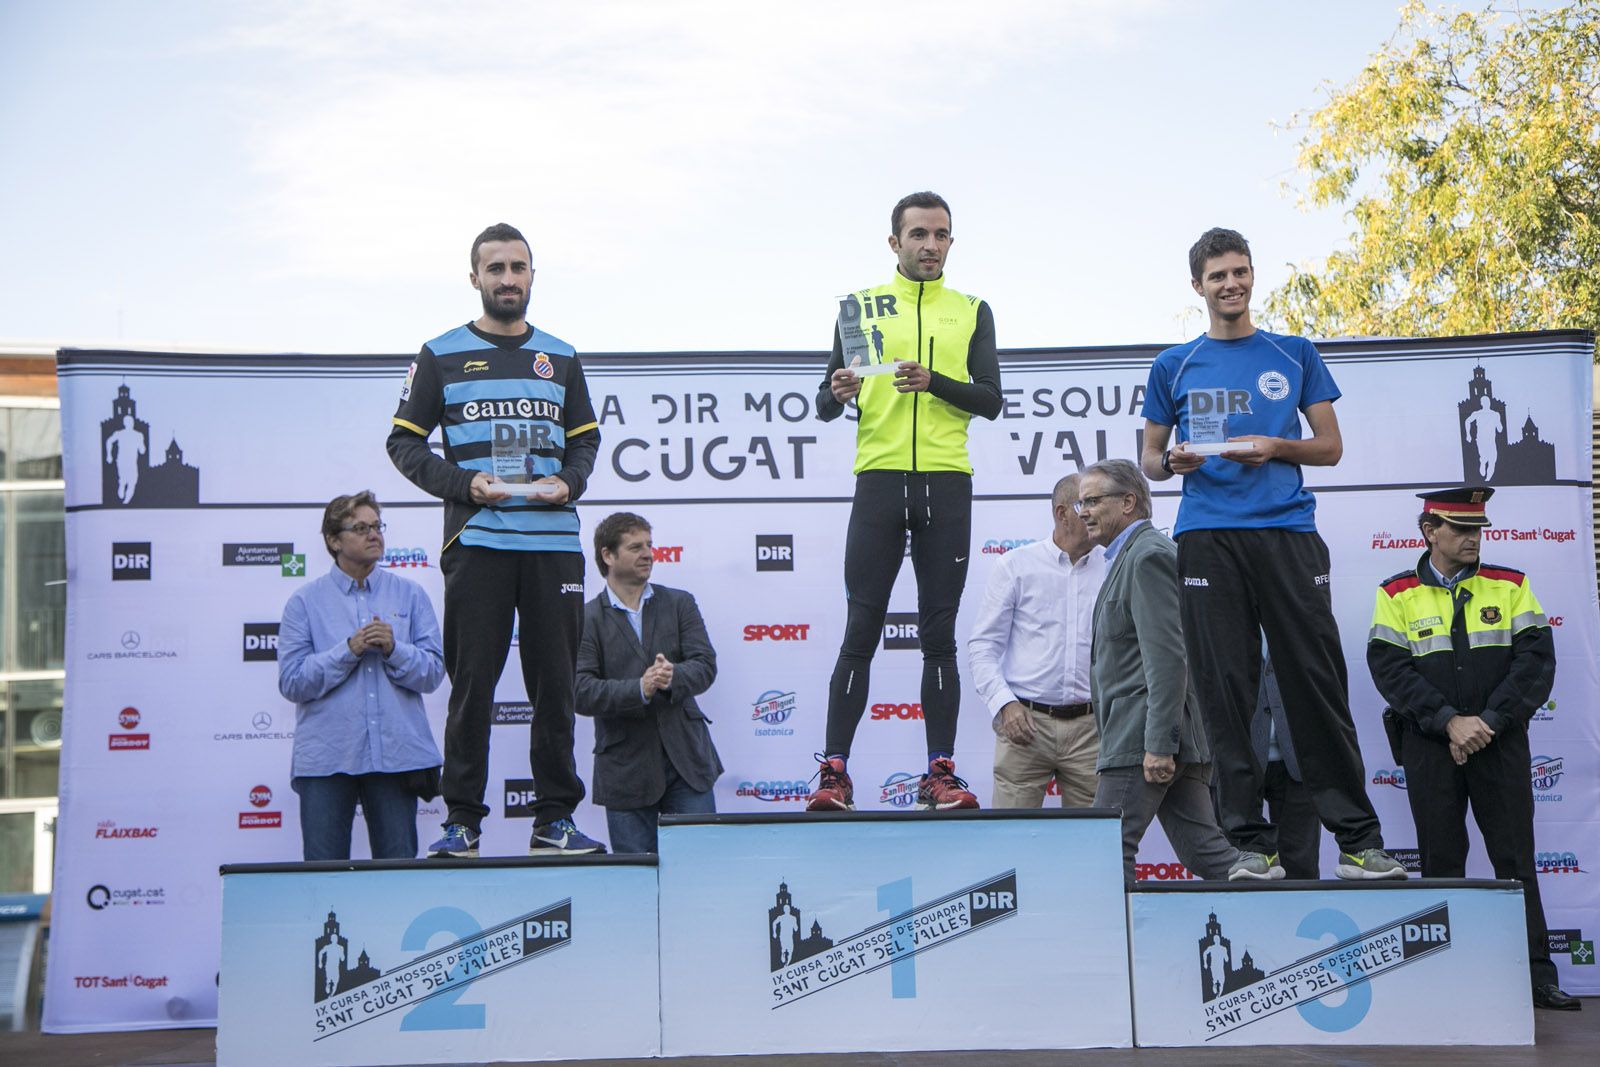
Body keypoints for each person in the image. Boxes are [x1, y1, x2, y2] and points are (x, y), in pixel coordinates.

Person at [1140, 226, 1405, 881]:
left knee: (1315, 684)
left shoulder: (1293, 353)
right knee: (1225, 689)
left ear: (1252, 276)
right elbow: (1148, 459)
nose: (1231, 284)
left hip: (1286, 531)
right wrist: (1170, 461)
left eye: (1241, 272)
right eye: (1218, 276)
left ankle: (1359, 842)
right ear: (1197, 286)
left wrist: (1274, 445)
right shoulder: (1174, 364)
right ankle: (1250, 847)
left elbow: (1330, 445)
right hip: (1207, 535)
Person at [388, 222, 605, 857]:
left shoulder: (562, 356)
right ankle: (462, 824)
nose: (508, 279)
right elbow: (403, 441)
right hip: (480, 541)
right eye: (496, 269)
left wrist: (569, 481)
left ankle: (554, 820)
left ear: (532, 276)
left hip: (553, 543)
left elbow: (585, 440)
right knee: (472, 687)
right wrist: (463, 482)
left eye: (518, 268)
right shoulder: (441, 352)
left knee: (556, 688)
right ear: (475, 277)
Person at [805, 190, 1003, 812]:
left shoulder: (971, 309)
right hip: (880, 480)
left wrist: (933, 382)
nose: (930, 245)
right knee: (860, 628)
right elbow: (824, 402)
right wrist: (836, 391)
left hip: (947, 480)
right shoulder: (861, 307)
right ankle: (834, 774)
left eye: (941, 234)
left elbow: (991, 399)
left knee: (939, 634)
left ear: (951, 241)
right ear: (895, 242)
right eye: (918, 234)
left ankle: (939, 772)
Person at [1368, 487, 1579, 1011]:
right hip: (1430, 748)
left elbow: (1535, 665)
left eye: (1477, 529)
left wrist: (1486, 723)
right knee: (1441, 861)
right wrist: (1449, 724)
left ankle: (1536, 974)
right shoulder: (1395, 593)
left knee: (1516, 861)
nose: (1472, 539)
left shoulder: (1511, 585)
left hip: (1499, 743)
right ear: (1429, 531)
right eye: (1460, 530)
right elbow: (1389, 670)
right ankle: (1445, 973)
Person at [1075, 459, 1238, 887]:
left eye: (1092, 501)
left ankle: (1115, 954)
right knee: (1209, 856)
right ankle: (1282, 909)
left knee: (1104, 849)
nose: (1084, 512)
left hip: (1144, 739)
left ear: (1128, 502)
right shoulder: (1132, 556)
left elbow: (1168, 657)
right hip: (1156, 736)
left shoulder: (1147, 557)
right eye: (1080, 504)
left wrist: (1159, 745)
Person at [278, 491, 444, 860]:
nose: (374, 535)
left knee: (397, 871)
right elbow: (291, 682)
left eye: (377, 526)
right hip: (326, 759)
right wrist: (347, 650)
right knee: (324, 877)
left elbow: (433, 674)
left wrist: (394, 648)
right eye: (361, 528)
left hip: (396, 756)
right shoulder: (304, 602)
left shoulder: (411, 595)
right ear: (334, 541)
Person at [575, 512, 722, 854]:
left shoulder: (680, 603)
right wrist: (638, 689)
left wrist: (673, 677)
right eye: (635, 547)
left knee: (699, 872)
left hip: (688, 766)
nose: (648, 554)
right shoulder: (586, 618)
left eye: (650, 545)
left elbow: (705, 665)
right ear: (607, 555)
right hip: (625, 773)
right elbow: (580, 692)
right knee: (637, 884)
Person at [967, 473, 1105, 807]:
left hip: (1095, 729)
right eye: (1085, 504)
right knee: (1010, 846)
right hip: (1024, 726)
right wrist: (1005, 704)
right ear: (1062, 514)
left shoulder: (1114, 565)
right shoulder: (1015, 565)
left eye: (1096, 503)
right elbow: (983, 648)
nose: (1094, 513)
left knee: (1093, 845)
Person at [1250, 651, 1320, 878]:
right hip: (1238, 758)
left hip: (1299, 757)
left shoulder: (1305, 614)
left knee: (1301, 868)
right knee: (1240, 867)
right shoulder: (1219, 616)